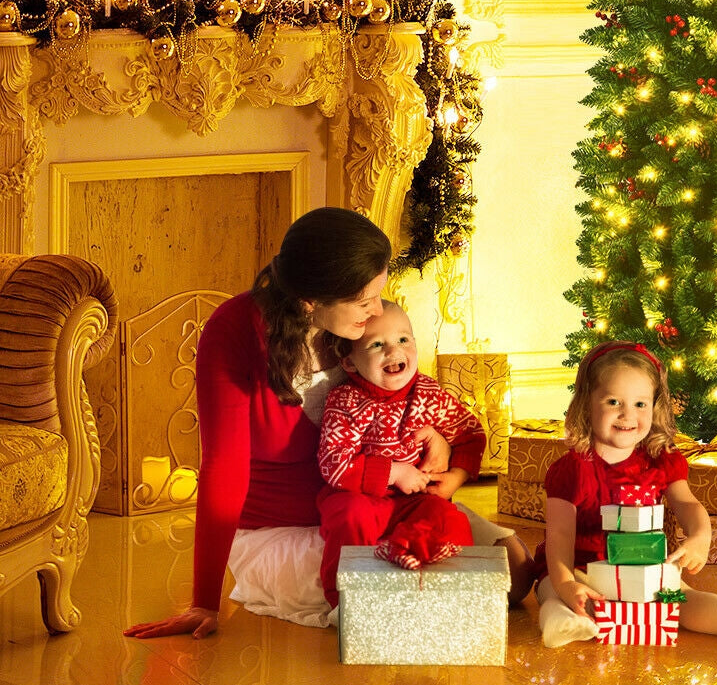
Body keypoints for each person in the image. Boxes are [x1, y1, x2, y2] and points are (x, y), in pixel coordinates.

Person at [124, 206, 534, 640]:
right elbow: (223, 471)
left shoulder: (356, 327)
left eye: (378, 293)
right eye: (364, 301)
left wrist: (443, 447)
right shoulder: (233, 331)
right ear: (310, 301)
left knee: (515, 568)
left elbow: (406, 399)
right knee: (389, 595)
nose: (377, 310)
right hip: (289, 528)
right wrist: (204, 600)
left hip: (386, 503)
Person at [533, 341, 717, 647]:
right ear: (586, 403)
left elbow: (687, 503)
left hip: (642, 565)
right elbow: (560, 537)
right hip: (581, 567)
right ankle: (562, 623)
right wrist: (567, 585)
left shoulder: (660, 459)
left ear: (654, 406)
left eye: (640, 404)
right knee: (551, 591)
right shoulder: (571, 469)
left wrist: (700, 537)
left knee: (678, 597)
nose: (627, 414)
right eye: (613, 401)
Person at [316, 301, 482, 607]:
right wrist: (394, 471)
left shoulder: (429, 393)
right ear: (350, 363)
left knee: (449, 519)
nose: (394, 352)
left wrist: (455, 478)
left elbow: (471, 434)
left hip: (416, 500)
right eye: (377, 344)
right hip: (362, 497)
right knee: (350, 516)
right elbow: (334, 464)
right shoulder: (345, 400)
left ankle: (451, 595)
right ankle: (348, 601)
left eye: (403, 340)